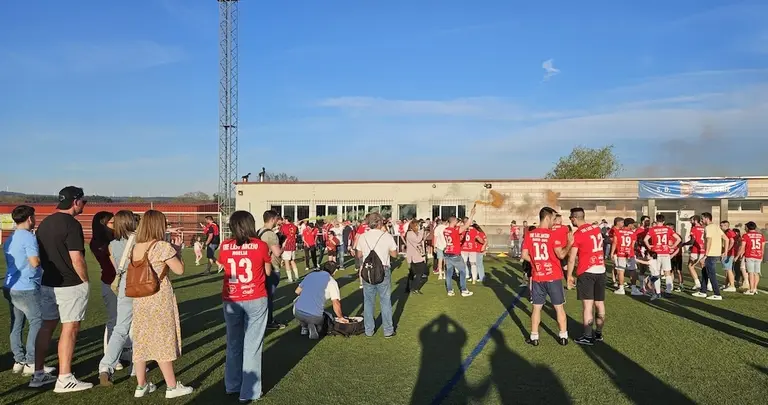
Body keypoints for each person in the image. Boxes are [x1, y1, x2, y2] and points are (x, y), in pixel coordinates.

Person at [32, 186, 92, 391]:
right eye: (83, 201)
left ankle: (38, 373)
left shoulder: (45, 223)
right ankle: (64, 377)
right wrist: (85, 280)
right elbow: (77, 258)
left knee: (46, 326)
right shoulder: (72, 225)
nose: (84, 205)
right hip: (69, 284)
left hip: (48, 282)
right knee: (70, 328)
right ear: (75, 202)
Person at [129, 210, 191, 398]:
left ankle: (141, 385)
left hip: (140, 299)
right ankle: (172, 386)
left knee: (141, 341)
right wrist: (178, 251)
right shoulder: (162, 247)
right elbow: (179, 270)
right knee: (162, 340)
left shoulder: (136, 246)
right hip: (159, 297)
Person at [218, 211, 271, 402]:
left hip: (232, 297)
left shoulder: (225, 245)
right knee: (253, 345)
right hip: (255, 296)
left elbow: (225, 266)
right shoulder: (260, 245)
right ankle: (249, 391)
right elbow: (267, 270)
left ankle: (232, 384)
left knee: (233, 343)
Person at [3, 205, 55, 377]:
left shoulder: (10, 238)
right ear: (30, 218)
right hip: (26, 286)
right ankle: (31, 362)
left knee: (17, 323)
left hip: (11, 286)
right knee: (37, 322)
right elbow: (34, 262)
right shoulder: (28, 237)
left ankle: (19, 360)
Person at [98, 210, 139, 385]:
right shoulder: (140, 240)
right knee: (139, 327)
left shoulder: (112, 244)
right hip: (139, 285)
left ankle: (105, 366)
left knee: (120, 328)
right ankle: (136, 367)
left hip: (123, 285)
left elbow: (117, 268)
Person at [522, 207, 569, 346]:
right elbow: (560, 255)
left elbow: (524, 255)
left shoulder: (530, 235)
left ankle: (534, 337)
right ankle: (563, 336)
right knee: (559, 307)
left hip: (538, 276)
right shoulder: (552, 234)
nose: (554, 222)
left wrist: (537, 262)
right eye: (554, 219)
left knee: (536, 308)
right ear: (547, 218)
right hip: (553, 276)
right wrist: (570, 243)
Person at [567, 208, 607, 345]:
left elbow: (572, 259)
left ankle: (587, 336)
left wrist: (569, 276)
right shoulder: (596, 229)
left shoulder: (578, 234)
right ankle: (599, 333)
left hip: (587, 271)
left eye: (570, 218)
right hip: (601, 270)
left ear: (574, 218)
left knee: (587, 305)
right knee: (600, 303)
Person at [354, 212, 398, 337]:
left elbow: (358, 255)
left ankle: (369, 330)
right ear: (380, 222)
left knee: (368, 301)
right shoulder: (386, 236)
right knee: (385, 301)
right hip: (383, 269)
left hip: (368, 270)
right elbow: (394, 254)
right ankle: (388, 330)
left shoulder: (363, 236)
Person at [294, 262, 347, 339]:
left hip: (297, 313)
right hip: (315, 317)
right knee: (328, 316)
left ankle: (304, 327)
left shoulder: (311, 275)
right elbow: (336, 303)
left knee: (297, 301)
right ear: (334, 271)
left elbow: (297, 291)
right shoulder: (332, 282)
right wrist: (340, 317)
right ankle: (312, 325)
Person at [90, 211, 117, 354]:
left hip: (120, 281)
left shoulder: (115, 239)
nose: (116, 225)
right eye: (113, 223)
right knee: (114, 319)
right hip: (110, 281)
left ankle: (124, 351)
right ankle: (111, 354)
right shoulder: (99, 243)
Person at [258, 210, 287, 330]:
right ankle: (269, 321)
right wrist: (284, 244)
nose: (278, 221)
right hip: (272, 267)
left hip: (260, 267)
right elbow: (277, 252)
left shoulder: (259, 231)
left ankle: (262, 320)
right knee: (269, 296)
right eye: (276, 219)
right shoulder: (271, 234)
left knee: (263, 296)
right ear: (272, 219)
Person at [443, 206, 477, 297]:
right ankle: (463, 290)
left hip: (447, 253)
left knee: (449, 273)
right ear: (453, 221)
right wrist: (472, 214)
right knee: (462, 271)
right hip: (455, 253)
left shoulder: (445, 230)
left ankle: (450, 290)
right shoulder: (455, 230)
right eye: (456, 221)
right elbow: (467, 224)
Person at [643, 214, 681, 295]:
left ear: (656, 220)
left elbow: (645, 239)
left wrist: (650, 247)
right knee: (667, 273)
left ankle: (658, 291)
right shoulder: (668, 229)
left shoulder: (652, 229)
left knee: (657, 273)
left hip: (656, 253)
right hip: (665, 253)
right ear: (664, 221)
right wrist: (672, 246)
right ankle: (668, 291)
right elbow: (679, 239)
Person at [692, 212, 726, 300]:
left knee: (711, 274)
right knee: (704, 272)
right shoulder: (716, 227)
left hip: (710, 254)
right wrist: (724, 251)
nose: (701, 221)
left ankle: (717, 294)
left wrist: (706, 255)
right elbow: (726, 239)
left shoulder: (708, 228)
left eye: (702, 219)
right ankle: (703, 291)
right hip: (715, 254)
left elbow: (709, 241)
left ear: (707, 218)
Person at [610, 218, 638, 296]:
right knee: (632, 271)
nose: (633, 226)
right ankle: (634, 289)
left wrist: (612, 253)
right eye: (632, 224)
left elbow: (615, 243)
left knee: (621, 271)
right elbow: (632, 245)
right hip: (630, 254)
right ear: (629, 225)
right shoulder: (633, 233)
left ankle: (621, 288)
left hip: (620, 253)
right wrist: (630, 252)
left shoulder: (618, 232)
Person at [739, 221, 764, 295]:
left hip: (750, 255)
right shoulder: (761, 235)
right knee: (756, 273)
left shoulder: (746, 235)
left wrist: (740, 254)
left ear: (748, 227)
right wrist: (762, 256)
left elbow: (743, 246)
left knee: (750, 273)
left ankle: (751, 289)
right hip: (758, 255)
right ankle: (755, 288)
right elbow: (762, 247)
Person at [404, 220, 426, 294]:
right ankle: (414, 287)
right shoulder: (410, 233)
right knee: (419, 272)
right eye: (417, 225)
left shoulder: (413, 233)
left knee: (413, 273)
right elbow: (418, 240)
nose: (418, 227)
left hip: (417, 255)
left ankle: (409, 287)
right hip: (415, 256)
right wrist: (422, 231)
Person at [685, 215, 705, 290]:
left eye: (691, 220)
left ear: (695, 220)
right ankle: (709, 284)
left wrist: (684, 244)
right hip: (704, 249)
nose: (690, 222)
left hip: (696, 250)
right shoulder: (704, 228)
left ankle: (697, 283)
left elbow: (692, 241)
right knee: (703, 266)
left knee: (690, 266)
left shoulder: (694, 228)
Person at [279, 216, 300, 282]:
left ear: (286, 219)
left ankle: (290, 278)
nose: (283, 220)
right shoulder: (294, 226)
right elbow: (296, 233)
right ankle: (297, 277)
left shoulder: (283, 227)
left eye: (284, 219)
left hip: (286, 246)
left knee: (286, 262)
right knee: (292, 261)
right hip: (293, 245)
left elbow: (281, 235)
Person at [720, 221, 738, 292]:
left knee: (729, 269)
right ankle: (727, 284)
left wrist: (726, 251)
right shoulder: (730, 232)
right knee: (728, 269)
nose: (720, 227)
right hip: (731, 253)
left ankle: (732, 285)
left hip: (729, 253)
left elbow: (732, 241)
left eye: (721, 226)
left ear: (726, 226)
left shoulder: (728, 232)